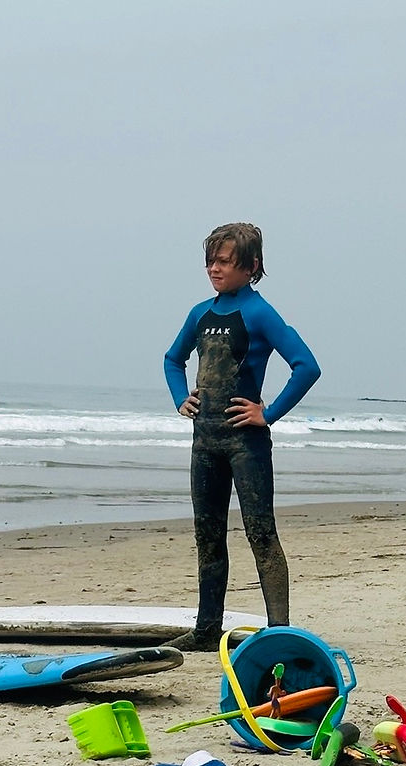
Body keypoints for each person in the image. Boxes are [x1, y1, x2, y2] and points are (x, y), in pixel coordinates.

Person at [163, 223, 321, 651]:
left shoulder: (260, 313)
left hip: (245, 444)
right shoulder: (199, 313)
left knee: (260, 532)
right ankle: (206, 629)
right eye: (210, 261)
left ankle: (279, 632)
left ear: (251, 267)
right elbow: (172, 359)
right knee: (207, 532)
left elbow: (306, 366)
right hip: (205, 442)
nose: (215, 269)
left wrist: (266, 414)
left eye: (225, 262)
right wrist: (182, 398)